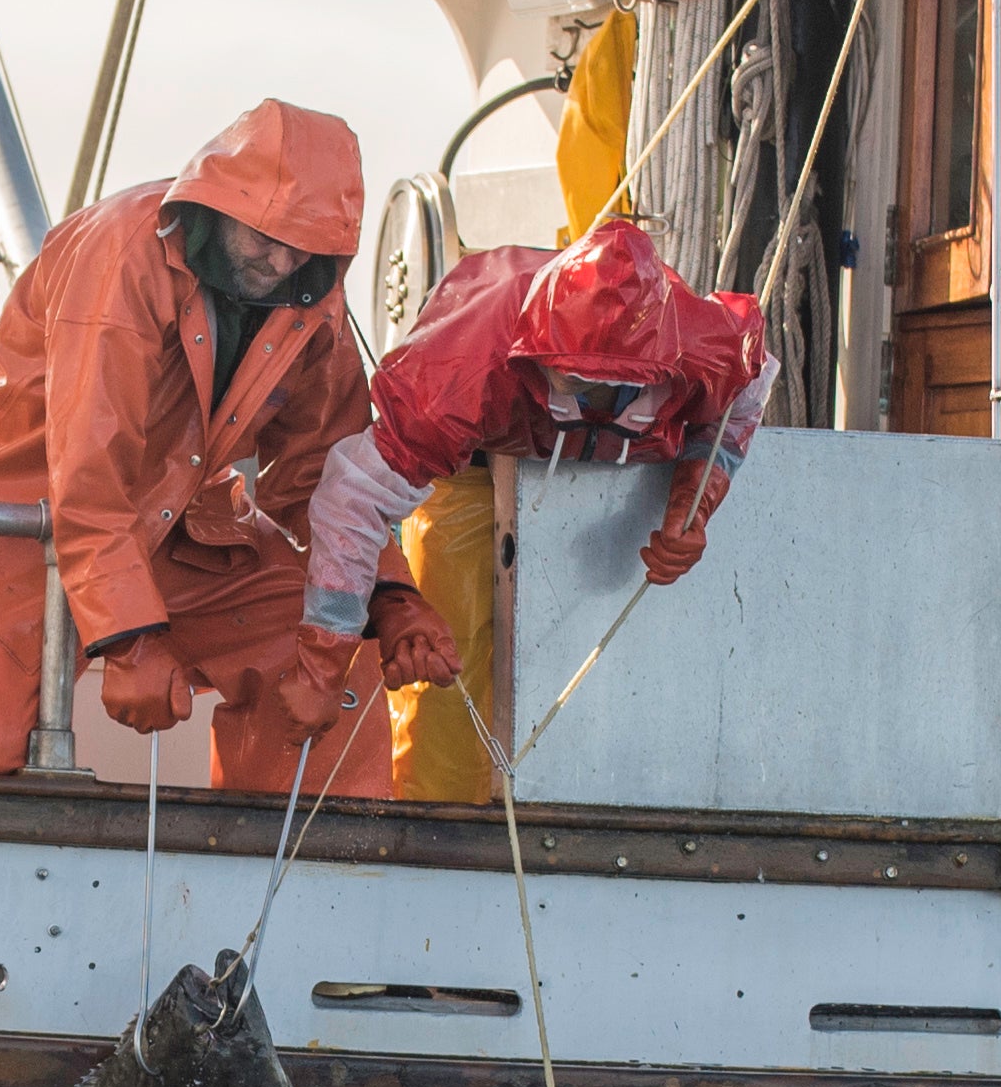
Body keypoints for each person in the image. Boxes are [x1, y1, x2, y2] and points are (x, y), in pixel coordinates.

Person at [0, 100, 455, 796]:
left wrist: (389, 597)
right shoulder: (120, 253)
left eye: (305, 248)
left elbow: (323, 475)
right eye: (267, 239)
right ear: (220, 204)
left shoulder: (312, 296)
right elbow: (88, 475)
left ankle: (285, 882)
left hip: (172, 515)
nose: (280, 263)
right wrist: (130, 638)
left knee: (319, 668)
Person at [283, 217, 774, 800]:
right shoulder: (458, 370)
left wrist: (696, 499)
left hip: (607, 472)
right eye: (566, 379)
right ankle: (445, 822)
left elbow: (748, 384)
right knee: (447, 658)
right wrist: (323, 660)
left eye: (605, 390)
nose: (582, 397)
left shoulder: (709, 345)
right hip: (469, 463)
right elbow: (353, 497)